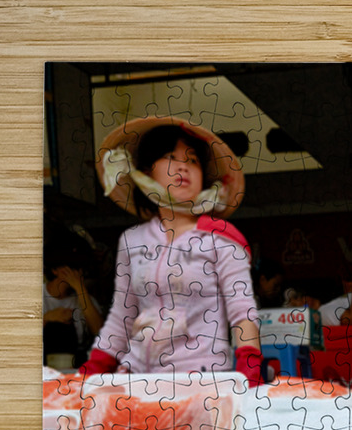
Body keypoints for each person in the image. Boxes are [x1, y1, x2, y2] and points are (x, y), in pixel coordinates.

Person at [78, 116, 262, 386]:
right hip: (136, 381)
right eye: (170, 157)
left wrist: (250, 373)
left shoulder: (222, 240)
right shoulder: (131, 240)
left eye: (193, 161)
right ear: (145, 170)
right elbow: (121, 317)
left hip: (201, 383)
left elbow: (243, 313)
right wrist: (90, 373)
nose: (183, 168)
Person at [43, 241, 104, 366]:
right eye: (72, 267)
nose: (77, 272)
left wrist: (80, 289)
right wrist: (47, 318)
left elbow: (100, 333)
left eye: (80, 267)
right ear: (55, 269)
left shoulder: (86, 299)